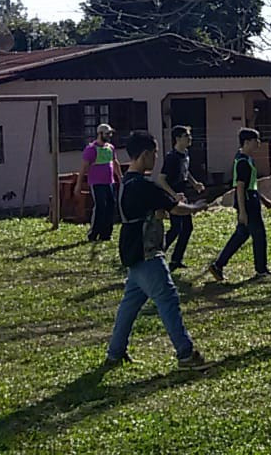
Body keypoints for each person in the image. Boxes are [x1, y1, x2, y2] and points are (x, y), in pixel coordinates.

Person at [104, 130, 210, 371]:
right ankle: (186, 354)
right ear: (144, 154)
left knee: (130, 304)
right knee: (168, 298)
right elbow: (175, 208)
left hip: (132, 250)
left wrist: (158, 212)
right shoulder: (143, 185)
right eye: (154, 153)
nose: (156, 158)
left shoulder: (126, 182)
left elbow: (153, 209)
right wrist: (196, 207)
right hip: (147, 251)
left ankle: (115, 352)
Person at [207, 128, 271, 281]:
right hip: (248, 203)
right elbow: (240, 187)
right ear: (246, 142)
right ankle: (261, 270)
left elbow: (251, 184)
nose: (258, 143)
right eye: (255, 140)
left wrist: (263, 199)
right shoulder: (242, 162)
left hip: (252, 198)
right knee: (259, 236)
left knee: (241, 235)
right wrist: (242, 211)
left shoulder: (248, 159)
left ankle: (218, 265)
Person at [157, 125, 205, 272]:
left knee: (187, 228)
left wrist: (194, 183)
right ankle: (156, 254)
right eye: (186, 136)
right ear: (177, 139)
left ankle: (176, 260)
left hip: (183, 195)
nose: (190, 138)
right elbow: (161, 180)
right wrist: (174, 195)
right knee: (176, 228)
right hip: (172, 196)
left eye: (190, 135)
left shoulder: (185, 154)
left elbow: (185, 171)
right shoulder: (171, 157)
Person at [76, 123, 123, 242]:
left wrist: (120, 177)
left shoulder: (110, 148)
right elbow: (83, 168)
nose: (109, 136)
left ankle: (106, 234)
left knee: (111, 206)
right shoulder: (91, 149)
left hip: (109, 182)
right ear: (100, 134)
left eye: (110, 133)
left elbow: (115, 162)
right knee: (100, 207)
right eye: (107, 134)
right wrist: (78, 184)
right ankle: (93, 233)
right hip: (97, 183)